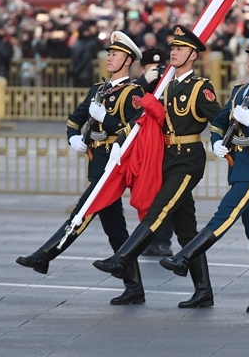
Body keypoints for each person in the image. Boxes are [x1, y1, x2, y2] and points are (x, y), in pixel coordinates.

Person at [161, 31, 249, 312]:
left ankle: (185, 256)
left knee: (225, 213)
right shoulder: (240, 91)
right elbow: (219, 122)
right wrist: (217, 141)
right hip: (239, 166)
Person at [93, 25, 221, 308]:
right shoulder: (167, 85)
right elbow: (145, 114)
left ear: (192, 55)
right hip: (168, 158)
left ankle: (122, 257)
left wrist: (221, 139)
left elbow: (219, 117)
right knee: (186, 229)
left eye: (179, 48)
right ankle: (204, 290)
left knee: (158, 209)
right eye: (172, 47)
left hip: (187, 159)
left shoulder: (200, 87)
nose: (173, 52)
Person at [16, 32, 146, 305]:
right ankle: (133, 286)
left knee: (83, 211)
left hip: (114, 163)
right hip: (96, 160)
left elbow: (135, 129)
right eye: (109, 53)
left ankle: (45, 255)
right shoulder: (97, 90)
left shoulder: (133, 92)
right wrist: (73, 136)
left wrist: (107, 120)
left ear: (128, 60)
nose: (109, 57)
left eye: (115, 53)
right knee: (115, 227)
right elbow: (74, 119)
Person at [135, 47, 174, 258]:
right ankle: (147, 239)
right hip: (144, 148)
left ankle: (163, 240)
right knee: (145, 194)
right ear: (142, 68)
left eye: (160, 67)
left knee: (163, 195)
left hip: (165, 147)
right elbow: (129, 105)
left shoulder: (170, 86)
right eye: (151, 67)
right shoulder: (138, 86)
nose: (156, 71)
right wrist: (143, 81)